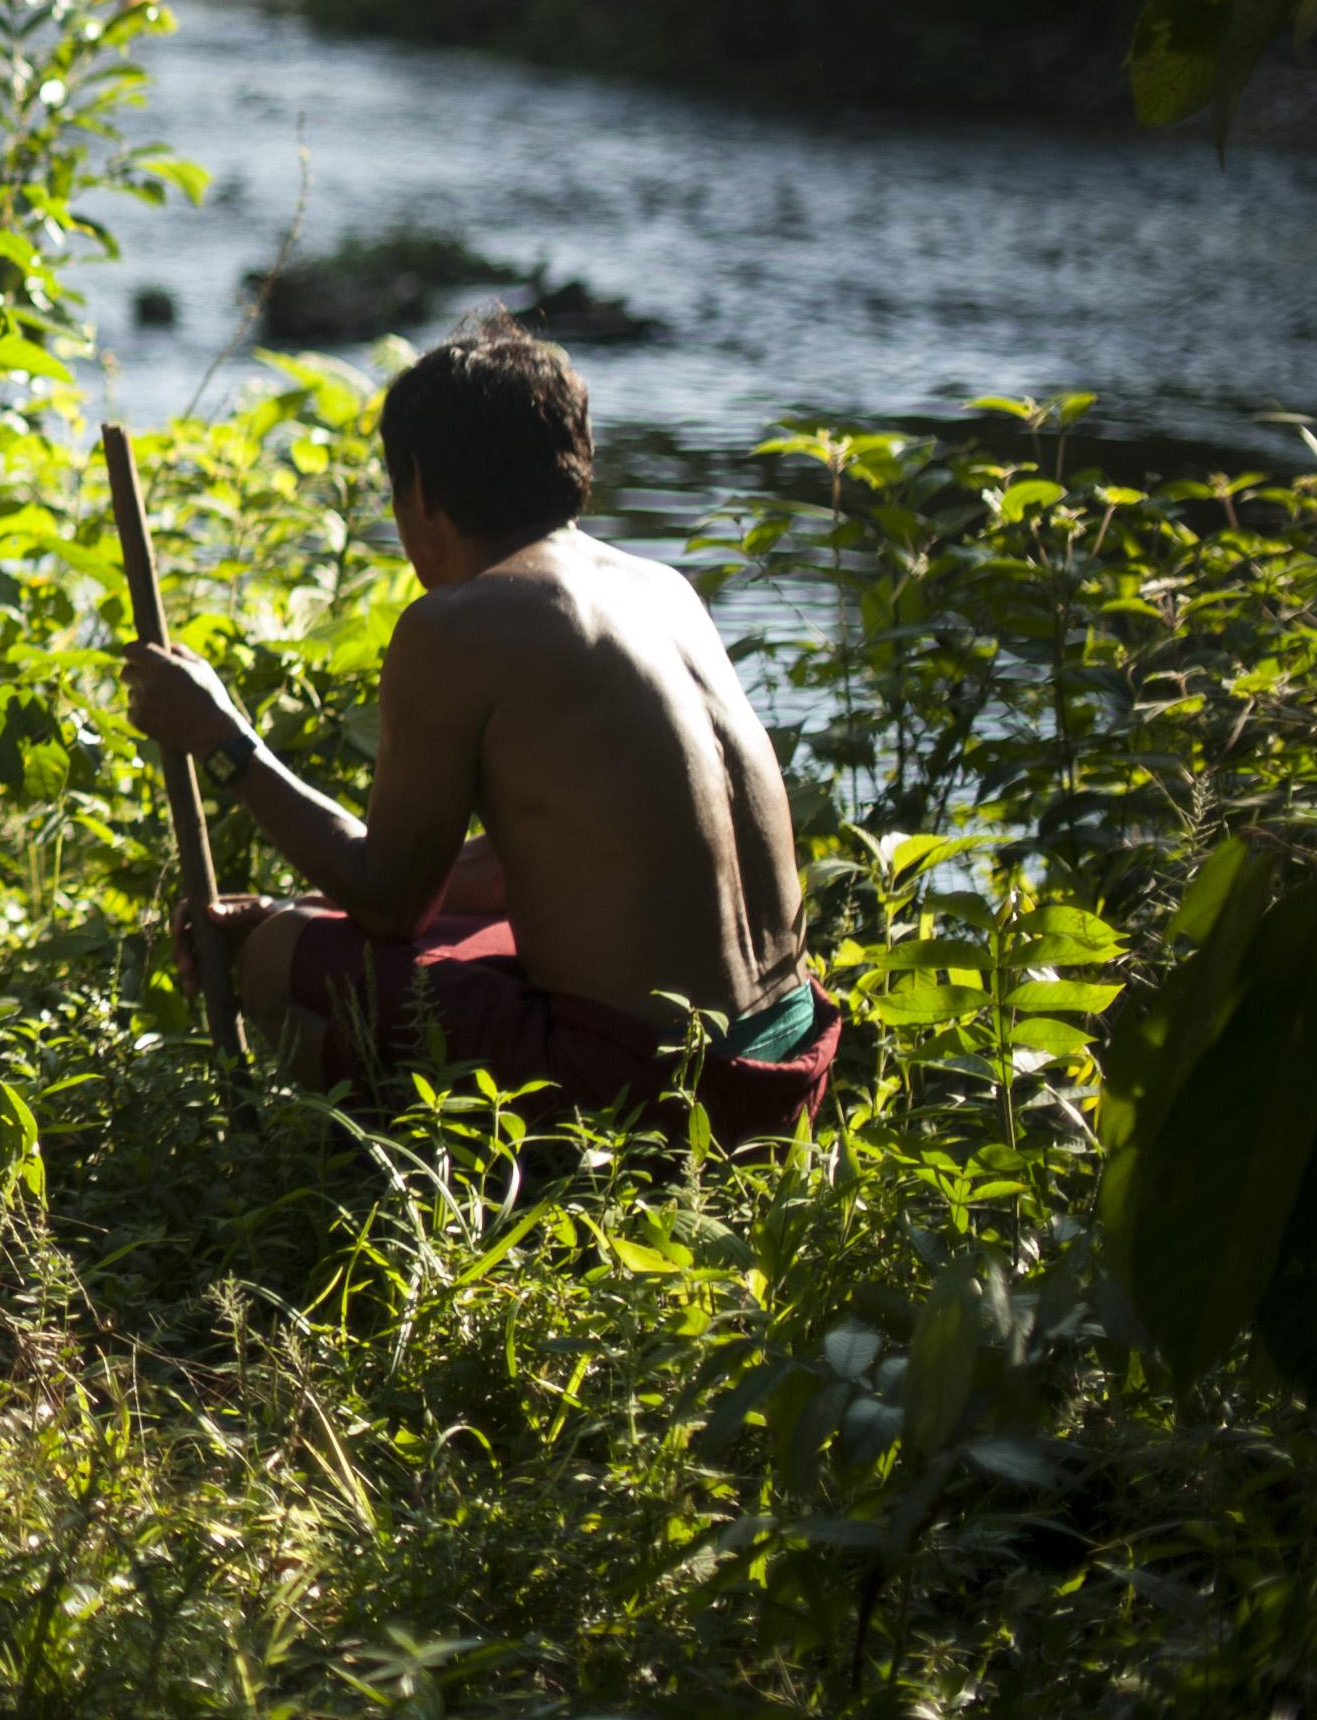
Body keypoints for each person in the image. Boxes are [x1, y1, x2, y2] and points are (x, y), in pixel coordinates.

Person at [119, 318, 838, 1139]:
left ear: (420, 486)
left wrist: (220, 738)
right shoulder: (661, 588)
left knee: (275, 957)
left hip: (653, 1103)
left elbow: (391, 904)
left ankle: (367, 1189)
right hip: (786, 1075)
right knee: (330, 926)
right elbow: (518, 867)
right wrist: (306, 900)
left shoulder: (460, 622)